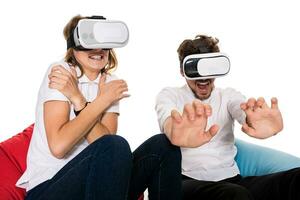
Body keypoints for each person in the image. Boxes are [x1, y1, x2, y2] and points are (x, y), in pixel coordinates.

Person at [16, 15, 182, 200]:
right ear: (74, 45)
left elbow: (106, 147)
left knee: (163, 145)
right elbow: (59, 146)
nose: (98, 49)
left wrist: (79, 100)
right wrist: (102, 101)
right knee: (116, 144)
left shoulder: (110, 83)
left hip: (101, 184)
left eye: (103, 42)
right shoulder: (62, 71)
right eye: (89, 41)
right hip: (50, 188)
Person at [155, 34, 300, 200]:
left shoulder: (228, 96)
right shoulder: (170, 95)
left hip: (232, 180)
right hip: (187, 182)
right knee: (235, 194)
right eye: (195, 69)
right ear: (182, 70)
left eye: (209, 68)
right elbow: (168, 120)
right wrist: (174, 132)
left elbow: (242, 111)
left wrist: (254, 122)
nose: (203, 78)